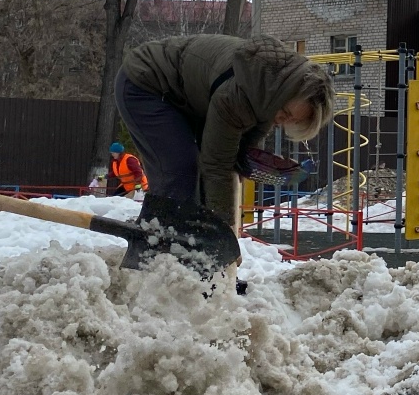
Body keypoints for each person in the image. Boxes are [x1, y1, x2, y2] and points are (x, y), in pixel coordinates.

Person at [115, 34, 335, 257]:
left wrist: (246, 161)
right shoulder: (240, 93)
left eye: (291, 120)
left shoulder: (269, 98)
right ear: (283, 92)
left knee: (197, 180)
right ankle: (158, 254)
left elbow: (235, 153)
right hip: (146, 83)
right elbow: (217, 166)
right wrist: (225, 232)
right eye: (285, 112)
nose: (281, 121)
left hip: (185, 100)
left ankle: (188, 253)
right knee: (179, 170)